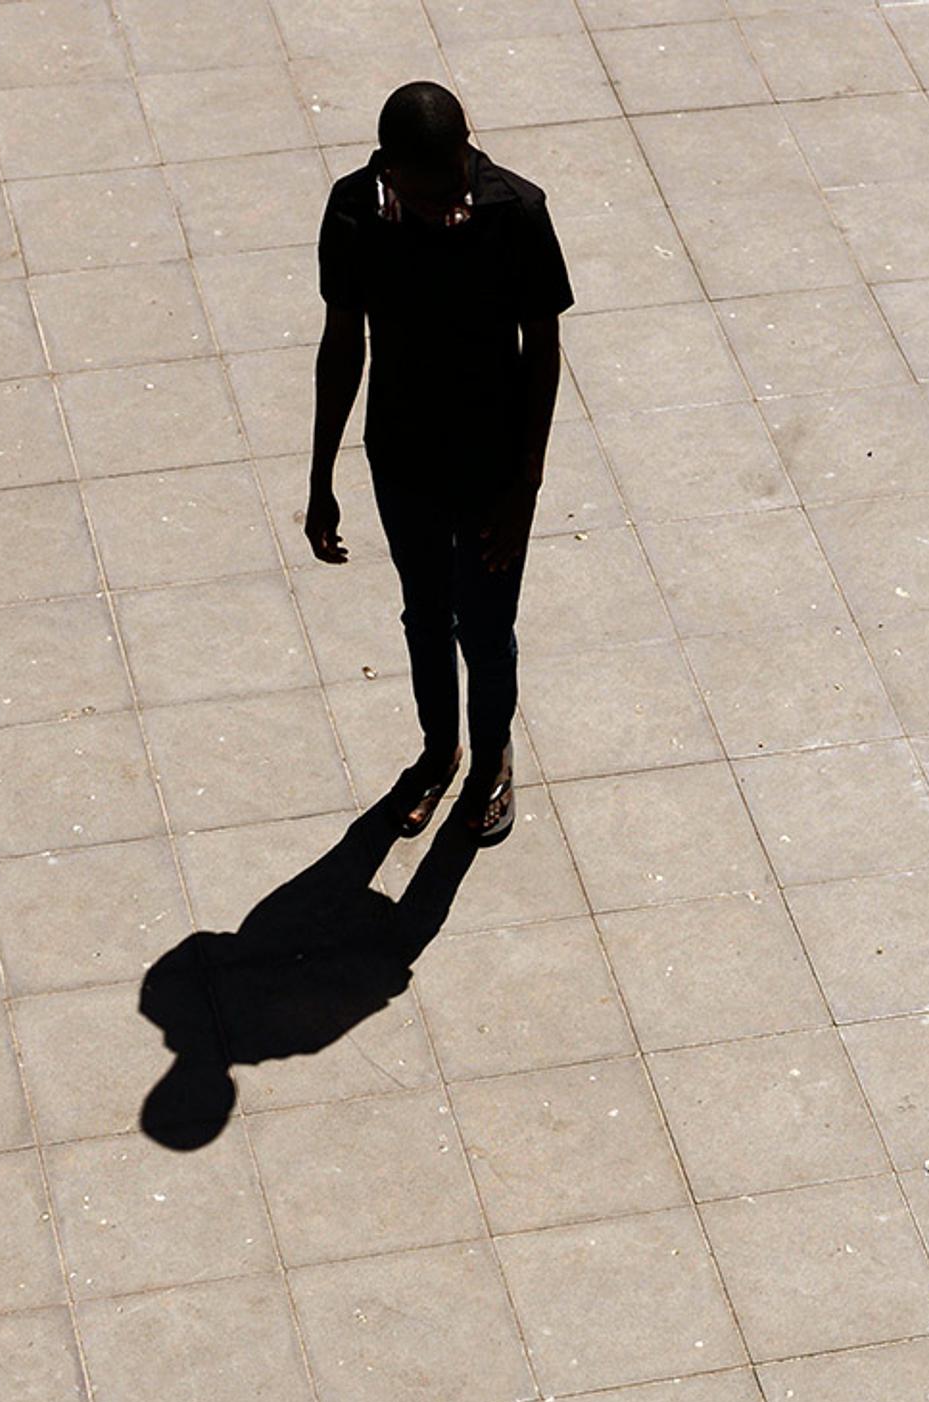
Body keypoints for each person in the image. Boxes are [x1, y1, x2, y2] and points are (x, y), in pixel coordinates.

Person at [306, 82, 572, 847]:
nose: (436, 207)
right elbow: (341, 344)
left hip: (492, 467)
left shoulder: (514, 213)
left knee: (486, 630)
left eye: (447, 188)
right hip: (403, 458)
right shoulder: (355, 213)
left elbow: (543, 351)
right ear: (387, 167)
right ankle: (438, 750)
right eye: (417, 196)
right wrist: (321, 477)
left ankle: (490, 759)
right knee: (423, 614)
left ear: (468, 149)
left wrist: (528, 484)